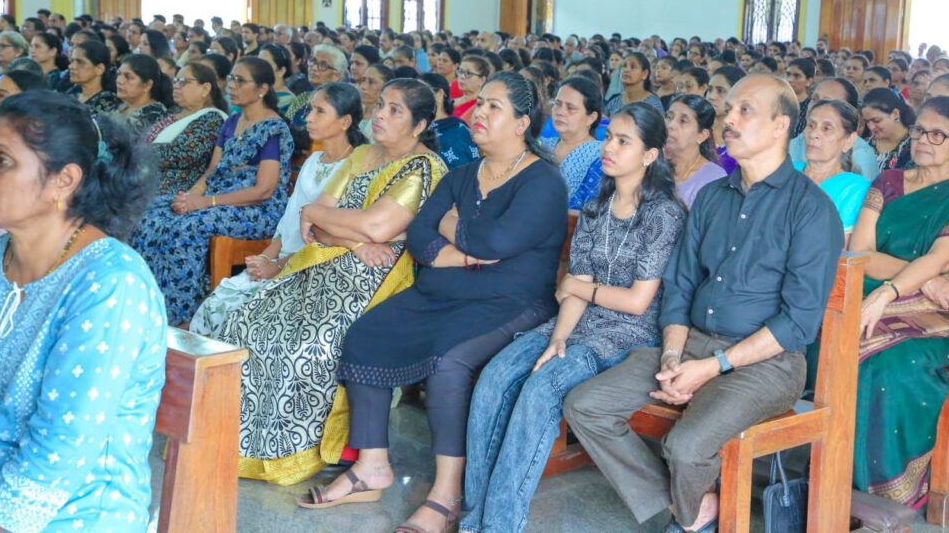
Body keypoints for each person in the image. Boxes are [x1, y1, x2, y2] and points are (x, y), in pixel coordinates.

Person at [563, 74, 844, 533]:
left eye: (745, 110)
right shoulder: (713, 197)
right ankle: (691, 511)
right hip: (690, 343)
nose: (730, 119)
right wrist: (673, 356)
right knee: (585, 406)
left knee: (686, 447)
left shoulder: (810, 209)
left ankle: (685, 515)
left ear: (781, 126)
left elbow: (798, 323)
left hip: (767, 363)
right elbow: (680, 286)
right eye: (729, 109)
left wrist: (712, 367)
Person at [303, 74, 568, 533]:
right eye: (479, 104)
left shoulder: (543, 181)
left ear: (522, 122)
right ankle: (371, 466)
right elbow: (422, 238)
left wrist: (455, 229)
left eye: (494, 107)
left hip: (510, 302)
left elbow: (498, 241)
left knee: (449, 363)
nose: (479, 114)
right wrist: (463, 251)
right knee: (366, 334)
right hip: (441, 293)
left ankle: (447, 493)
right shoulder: (462, 174)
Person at [461, 103, 686, 533]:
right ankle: (473, 522)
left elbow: (637, 302)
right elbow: (576, 284)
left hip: (627, 334)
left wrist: (579, 289)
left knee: (539, 390)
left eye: (624, 142)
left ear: (649, 155)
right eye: (609, 138)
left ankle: (500, 526)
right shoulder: (597, 207)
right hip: (577, 323)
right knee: (495, 377)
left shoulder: (663, 214)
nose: (609, 148)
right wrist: (557, 339)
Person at [217, 79, 446, 485]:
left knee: (308, 344)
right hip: (323, 261)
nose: (380, 115)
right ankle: (235, 443)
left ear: (419, 125)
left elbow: (377, 226)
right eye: (381, 105)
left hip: (376, 275)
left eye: (395, 111)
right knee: (246, 322)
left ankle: (301, 449)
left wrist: (336, 224)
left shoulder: (423, 167)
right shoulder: (361, 154)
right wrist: (353, 239)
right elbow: (316, 219)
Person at [0, 91, 165, 531]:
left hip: (69, 511)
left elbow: (59, 451)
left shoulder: (111, 284)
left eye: (1, 160)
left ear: (63, 181)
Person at [845, 95, 949, 506]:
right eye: (920, 130)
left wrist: (894, 289)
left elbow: (942, 258)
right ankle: (835, 471)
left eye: (938, 134)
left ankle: (887, 488)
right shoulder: (888, 182)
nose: (924, 140)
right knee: (830, 341)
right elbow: (861, 253)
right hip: (873, 291)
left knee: (890, 363)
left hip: (945, 316)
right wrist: (925, 279)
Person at [190, 82, 366, 336]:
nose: (309, 118)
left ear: (345, 121)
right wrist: (265, 258)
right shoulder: (313, 161)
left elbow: (326, 237)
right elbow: (288, 221)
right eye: (310, 109)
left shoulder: (354, 167)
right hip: (281, 259)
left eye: (320, 111)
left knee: (243, 315)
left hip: (312, 267)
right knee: (216, 305)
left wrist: (278, 265)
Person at [131, 57, 294, 324]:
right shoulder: (231, 122)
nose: (232, 85)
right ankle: (146, 300)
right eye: (231, 79)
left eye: (240, 81)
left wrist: (206, 202)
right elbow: (211, 172)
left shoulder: (273, 129)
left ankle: (181, 313)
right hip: (217, 199)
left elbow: (263, 190)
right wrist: (192, 196)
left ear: (262, 89)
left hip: (256, 210)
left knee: (186, 227)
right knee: (149, 214)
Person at [144, 61, 229, 194]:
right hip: (144, 183)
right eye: (176, 81)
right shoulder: (173, 112)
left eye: (184, 81)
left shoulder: (213, 118)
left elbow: (182, 153)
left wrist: (135, 152)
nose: (176, 86)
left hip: (174, 192)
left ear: (205, 89)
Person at [796, 99, 871, 235]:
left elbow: (840, 244)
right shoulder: (787, 171)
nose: (813, 134)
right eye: (811, 125)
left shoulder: (854, 188)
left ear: (848, 140)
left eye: (826, 128)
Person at [788, 77, 880, 181]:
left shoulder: (860, 155)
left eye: (827, 102)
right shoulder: (791, 146)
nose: (816, 106)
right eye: (814, 99)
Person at [542, 77, 604, 211]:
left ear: (591, 118)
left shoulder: (601, 155)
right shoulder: (542, 146)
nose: (560, 112)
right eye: (557, 104)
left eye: (570, 108)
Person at [664, 94, 727, 209]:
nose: (671, 125)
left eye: (683, 121)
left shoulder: (714, 179)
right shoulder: (652, 165)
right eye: (669, 117)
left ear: (702, 135)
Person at [418, 72, 480, 169]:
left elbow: (463, 172)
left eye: (421, 93)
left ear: (439, 94)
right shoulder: (417, 127)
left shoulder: (456, 130)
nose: (415, 99)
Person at [115, 54, 173, 134]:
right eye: (119, 74)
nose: (119, 80)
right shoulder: (121, 106)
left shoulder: (153, 115)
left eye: (129, 77)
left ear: (147, 85)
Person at [863, 87, 914, 173]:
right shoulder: (865, 145)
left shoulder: (914, 146)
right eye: (867, 122)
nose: (871, 127)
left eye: (876, 120)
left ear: (895, 114)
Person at [706, 65, 746, 174]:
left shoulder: (747, 139)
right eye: (710, 90)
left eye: (720, 91)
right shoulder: (698, 132)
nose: (711, 96)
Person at [67, 40, 122, 115]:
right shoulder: (71, 94)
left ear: (99, 69)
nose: (71, 66)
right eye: (72, 61)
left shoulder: (108, 103)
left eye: (80, 62)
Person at [604, 52, 664, 116]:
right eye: (624, 66)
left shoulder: (653, 105)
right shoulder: (614, 102)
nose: (626, 70)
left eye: (633, 67)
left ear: (645, 74)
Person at [357, 63, 393, 139]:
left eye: (371, 82)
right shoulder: (353, 110)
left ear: (386, 87)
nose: (363, 86)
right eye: (363, 80)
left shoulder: (388, 120)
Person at [454, 55, 490, 125]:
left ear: (482, 80)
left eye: (469, 73)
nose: (462, 76)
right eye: (460, 71)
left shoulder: (481, 107)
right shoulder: (452, 102)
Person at [786, 57, 815, 136]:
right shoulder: (778, 103)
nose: (790, 79)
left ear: (808, 81)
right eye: (788, 74)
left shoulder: (811, 107)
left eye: (797, 76)